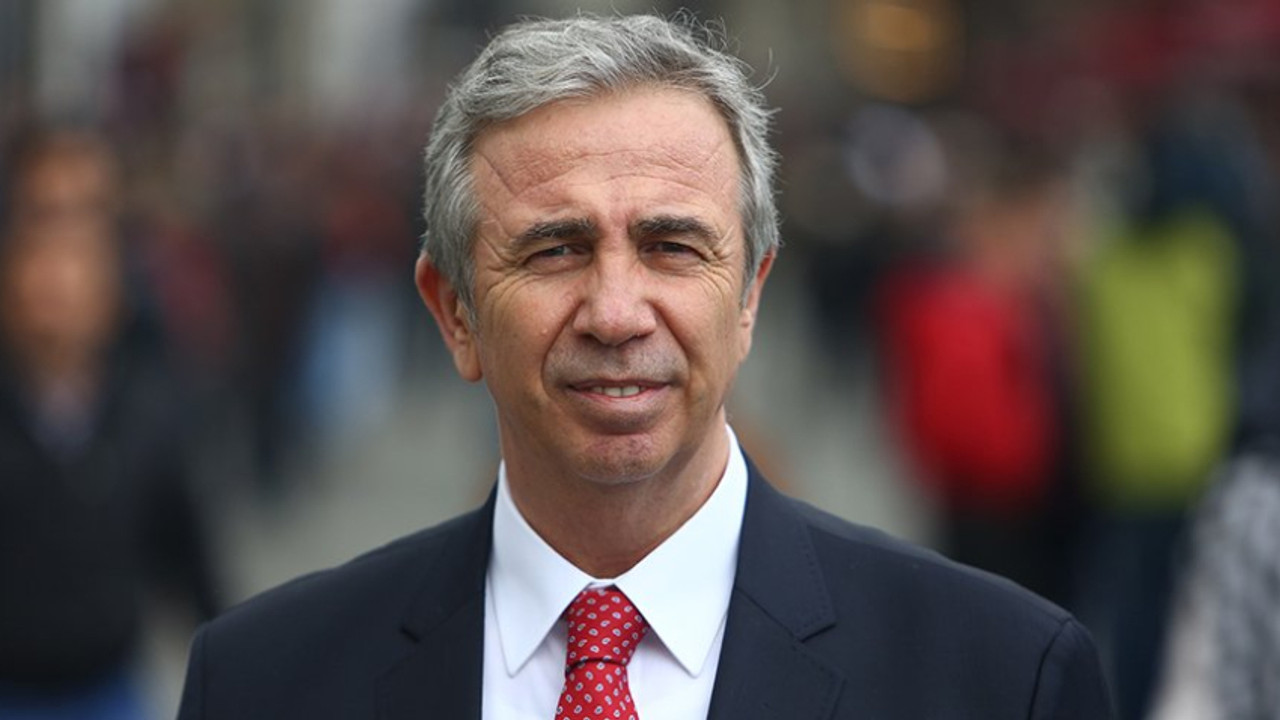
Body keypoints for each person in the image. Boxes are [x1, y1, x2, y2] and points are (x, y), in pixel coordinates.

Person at [176, 13, 1112, 719]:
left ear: (749, 298)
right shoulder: (263, 681)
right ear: (454, 311)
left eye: (671, 247)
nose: (617, 313)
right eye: (555, 250)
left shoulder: (1004, 677)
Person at [0, 128, 220, 718]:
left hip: (106, 683)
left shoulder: (145, 406)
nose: (56, 285)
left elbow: (187, 547)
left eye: (79, 262)